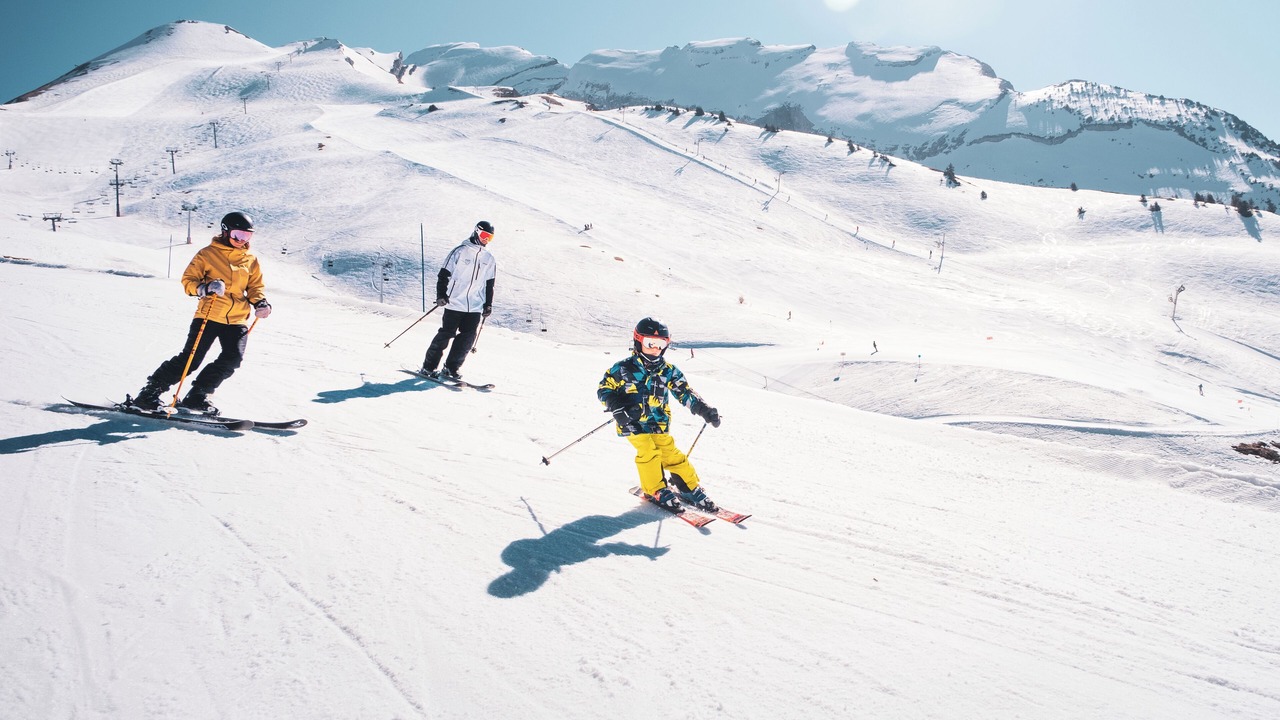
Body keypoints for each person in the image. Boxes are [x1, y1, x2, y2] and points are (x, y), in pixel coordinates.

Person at [129, 211, 272, 414]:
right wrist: (206, 288)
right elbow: (188, 281)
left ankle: (198, 395)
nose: (242, 240)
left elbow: (255, 286)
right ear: (225, 231)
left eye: (247, 236)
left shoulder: (250, 259)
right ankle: (149, 393)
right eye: (237, 235)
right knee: (191, 360)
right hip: (209, 315)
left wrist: (261, 302)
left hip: (237, 319)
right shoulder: (207, 254)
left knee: (232, 360)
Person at [598, 317, 722, 512]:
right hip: (631, 421)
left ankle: (689, 488)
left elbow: (684, 392)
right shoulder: (623, 368)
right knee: (648, 451)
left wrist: (703, 408)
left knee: (671, 454)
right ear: (638, 341)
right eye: (650, 343)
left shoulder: (668, 371)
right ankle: (655, 490)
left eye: (661, 344)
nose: (655, 349)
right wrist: (617, 406)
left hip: (658, 423)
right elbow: (604, 389)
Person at [420, 220, 497, 380]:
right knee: (446, 335)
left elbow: (490, 284)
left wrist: (488, 304)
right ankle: (428, 367)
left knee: (467, 338)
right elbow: (444, 274)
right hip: (454, 302)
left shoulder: (489, 259)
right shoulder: (460, 251)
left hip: (474, 306)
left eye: (490, 237)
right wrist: (441, 295)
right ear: (476, 231)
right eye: (484, 235)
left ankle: (451, 368)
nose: (486, 240)